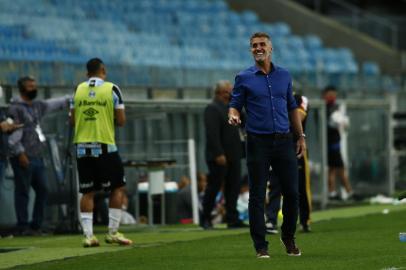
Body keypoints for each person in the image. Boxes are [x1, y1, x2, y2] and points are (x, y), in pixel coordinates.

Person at [228, 32, 306, 258]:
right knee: (257, 195)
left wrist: (300, 136)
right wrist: (233, 115)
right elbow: (234, 104)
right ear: (251, 50)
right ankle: (260, 245)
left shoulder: (284, 75)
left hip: (284, 141)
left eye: (262, 44)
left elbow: (292, 107)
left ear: (271, 48)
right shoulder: (243, 77)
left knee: (292, 192)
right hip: (257, 142)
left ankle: (288, 236)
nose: (258, 48)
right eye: (254, 45)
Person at [70, 58, 132, 247]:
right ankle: (112, 232)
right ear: (103, 70)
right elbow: (121, 121)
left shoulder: (78, 90)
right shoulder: (112, 89)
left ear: (87, 72)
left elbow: (72, 121)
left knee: (87, 191)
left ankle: (88, 236)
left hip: (82, 147)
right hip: (105, 145)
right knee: (117, 188)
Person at [7, 76, 69, 235]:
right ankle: (23, 226)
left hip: (37, 156)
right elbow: (12, 134)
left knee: (43, 190)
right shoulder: (15, 108)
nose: (34, 88)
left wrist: (75, 97)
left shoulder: (37, 106)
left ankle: (36, 225)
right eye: (30, 86)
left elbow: (56, 103)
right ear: (22, 89)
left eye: (35, 85)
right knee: (23, 191)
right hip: (23, 156)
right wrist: (20, 153)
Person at [201, 80, 246, 229]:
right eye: (229, 91)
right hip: (219, 157)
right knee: (213, 187)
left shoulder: (232, 108)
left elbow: (244, 121)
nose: (232, 93)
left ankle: (232, 218)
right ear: (221, 93)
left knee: (233, 188)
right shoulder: (212, 109)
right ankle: (205, 217)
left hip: (234, 154)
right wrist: (218, 153)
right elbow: (212, 134)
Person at [265, 93, 312, 234]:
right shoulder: (269, 97)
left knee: (301, 185)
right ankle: (271, 220)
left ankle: (305, 220)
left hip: (295, 146)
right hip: (276, 144)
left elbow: (298, 116)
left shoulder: (300, 98)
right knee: (275, 183)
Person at [323, 86, 353, 200]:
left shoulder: (333, 107)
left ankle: (333, 193)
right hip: (332, 143)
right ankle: (348, 191)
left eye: (334, 94)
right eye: (330, 94)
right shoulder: (327, 108)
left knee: (333, 169)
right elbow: (337, 121)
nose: (332, 97)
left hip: (333, 142)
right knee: (339, 168)